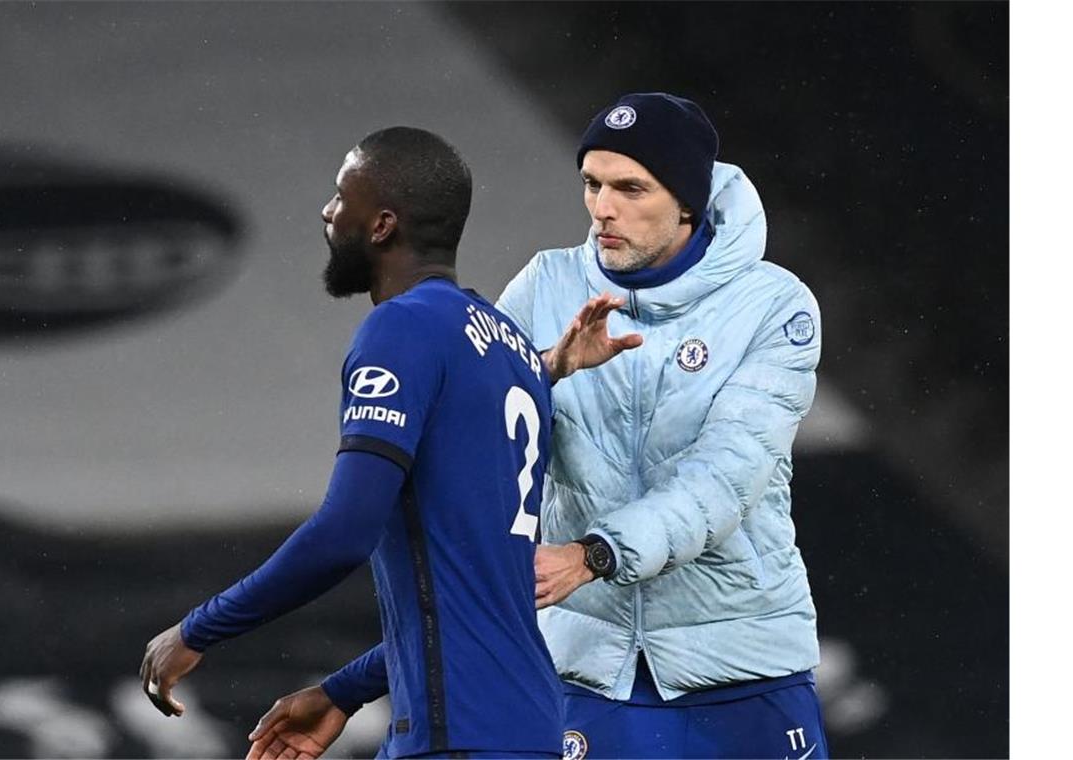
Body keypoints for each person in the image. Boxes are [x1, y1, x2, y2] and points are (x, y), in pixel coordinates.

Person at [256, 93, 829, 760]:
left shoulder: (773, 306)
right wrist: (349, 688)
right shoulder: (544, 287)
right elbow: (477, 543)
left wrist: (593, 554)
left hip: (747, 673)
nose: (602, 207)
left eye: (630, 188)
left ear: (688, 202)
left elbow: (726, 481)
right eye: (592, 183)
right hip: (587, 674)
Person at [138, 126, 626, 759]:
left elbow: (345, 531)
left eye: (343, 197)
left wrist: (199, 629)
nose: (328, 212)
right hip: (520, 724)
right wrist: (344, 690)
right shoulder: (511, 348)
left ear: (382, 225)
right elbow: (476, 595)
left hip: (459, 736)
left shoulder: (402, 328)